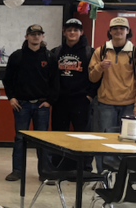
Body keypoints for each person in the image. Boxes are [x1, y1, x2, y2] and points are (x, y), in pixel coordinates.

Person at [4, 24, 58, 182]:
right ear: (26, 36)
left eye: (39, 34)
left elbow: (55, 82)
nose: (36, 37)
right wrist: (11, 97)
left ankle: (45, 172)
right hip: (21, 105)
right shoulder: (17, 56)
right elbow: (8, 80)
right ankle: (17, 171)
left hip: (42, 106)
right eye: (32, 34)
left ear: (43, 37)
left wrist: (49, 102)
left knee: (42, 141)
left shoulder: (49, 57)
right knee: (20, 139)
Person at [50, 19, 99, 171]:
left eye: (76, 30)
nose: (72, 33)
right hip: (61, 101)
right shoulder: (56, 52)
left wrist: (89, 96)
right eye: (69, 30)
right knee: (59, 136)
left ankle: (84, 167)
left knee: (83, 135)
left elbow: (97, 77)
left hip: (81, 101)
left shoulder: (89, 52)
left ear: (81, 33)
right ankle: (59, 166)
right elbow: (50, 77)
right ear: (64, 32)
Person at [89, 17, 136, 132]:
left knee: (127, 140)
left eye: (122, 28)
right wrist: (100, 67)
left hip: (129, 105)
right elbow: (92, 78)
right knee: (106, 140)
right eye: (114, 28)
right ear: (110, 31)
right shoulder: (100, 51)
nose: (118, 31)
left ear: (128, 31)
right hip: (106, 105)